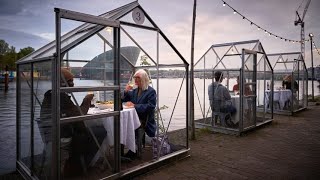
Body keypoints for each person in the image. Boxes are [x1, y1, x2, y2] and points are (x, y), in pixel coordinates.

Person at [40, 68, 95, 175]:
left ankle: (73, 164)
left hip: (49, 136)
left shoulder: (51, 95)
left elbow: (71, 112)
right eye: (70, 81)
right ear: (63, 83)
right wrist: (87, 100)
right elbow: (80, 114)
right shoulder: (61, 96)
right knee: (95, 132)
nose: (73, 84)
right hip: (60, 138)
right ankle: (79, 166)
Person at [121, 69, 157, 159]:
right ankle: (123, 149)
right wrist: (125, 91)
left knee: (129, 124)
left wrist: (135, 106)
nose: (136, 80)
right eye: (135, 78)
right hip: (134, 117)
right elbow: (122, 99)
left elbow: (151, 106)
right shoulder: (134, 91)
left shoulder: (151, 91)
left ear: (144, 79)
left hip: (145, 119)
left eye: (138, 78)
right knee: (122, 124)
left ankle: (133, 150)